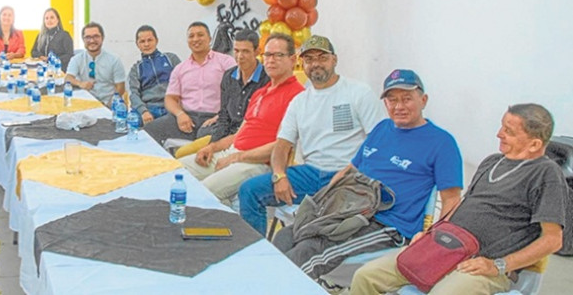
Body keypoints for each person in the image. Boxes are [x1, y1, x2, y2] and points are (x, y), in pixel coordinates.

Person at [351, 103, 567, 295]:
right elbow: (462, 205)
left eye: (509, 131)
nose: (499, 134)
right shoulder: (491, 162)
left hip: (481, 263)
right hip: (443, 246)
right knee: (366, 277)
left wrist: (499, 265)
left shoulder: (546, 173)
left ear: (534, 145)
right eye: (502, 126)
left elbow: (552, 240)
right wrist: (428, 235)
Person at [272, 69, 463, 281]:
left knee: (309, 252)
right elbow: (350, 170)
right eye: (392, 100)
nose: (399, 106)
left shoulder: (441, 142)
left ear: (423, 100)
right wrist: (322, 202)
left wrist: (433, 243)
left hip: (388, 224)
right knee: (286, 236)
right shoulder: (382, 128)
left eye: (407, 99)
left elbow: (452, 199)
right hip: (349, 210)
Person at [238, 35, 385, 235]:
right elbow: (281, 146)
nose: (316, 64)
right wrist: (279, 175)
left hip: (348, 176)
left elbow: (379, 141)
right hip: (310, 174)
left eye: (322, 58)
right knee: (249, 191)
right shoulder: (299, 102)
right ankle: (257, 254)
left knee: (314, 226)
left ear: (334, 60)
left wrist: (351, 171)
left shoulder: (358, 93)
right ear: (302, 63)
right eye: (309, 59)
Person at [179, 32, 303, 207]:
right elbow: (239, 134)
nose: (271, 60)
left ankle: (228, 225)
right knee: (174, 171)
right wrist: (212, 148)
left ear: (292, 59)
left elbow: (281, 147)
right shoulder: (260, 93)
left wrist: (237, 157)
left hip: (259, 163)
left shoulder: (297, 96)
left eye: (278, 55)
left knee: (202, 193)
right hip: (233, 153)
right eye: (268, 55)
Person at [143, 21, 236, 145]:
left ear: (209, 38)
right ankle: (163, 163)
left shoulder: (226, 62)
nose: (195, 39)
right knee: (148, 131)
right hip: (187, 118)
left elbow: (237, 93)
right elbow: (170, 99)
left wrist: (221, 116)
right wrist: (180, 114)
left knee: (205, 136)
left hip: (216, 118)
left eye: (200, 35)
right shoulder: (180, 68)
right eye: (191, 36)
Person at [127, 25, 182, 124]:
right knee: (131, 122)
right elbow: (133, 94)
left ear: (156, 41)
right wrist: (144, 112)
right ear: (137, 44)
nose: (146, 44)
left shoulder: (170, 58)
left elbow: (185, 82)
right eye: (142, 42)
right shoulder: (136, 68)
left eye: (150, 40)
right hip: (149, 109)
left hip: (171, 106)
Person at [64, 22, 127, 105]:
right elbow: (68, 78)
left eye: (96, 36)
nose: (92, 40)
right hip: (85, 103)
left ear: (102, 38)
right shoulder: (77, 59)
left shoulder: (114, 60)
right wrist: (80, 83)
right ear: (83, 40)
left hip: (108, 103)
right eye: (88, 37)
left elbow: (121, 87)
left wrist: (110, 104)